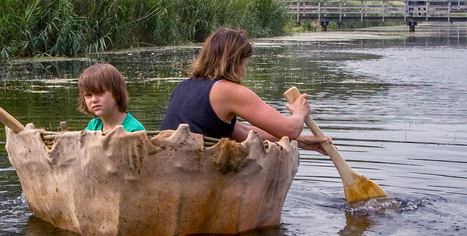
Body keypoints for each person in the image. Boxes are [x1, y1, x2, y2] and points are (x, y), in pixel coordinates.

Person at [160, 27, 330, 153]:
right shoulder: (228, 91)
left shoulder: (183, 86)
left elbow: (241, 131)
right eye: (245, 64)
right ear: (235, 62)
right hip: (195, 173)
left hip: (169, 165)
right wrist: (299, 113)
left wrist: (301, 141)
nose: (244, 71)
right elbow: (290, 129)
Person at [79, 62, 146, 132]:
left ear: (116, 92)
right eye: (88, 95)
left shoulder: (134, 130)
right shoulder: (93, 126)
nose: (94, 100)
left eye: (100, 93)